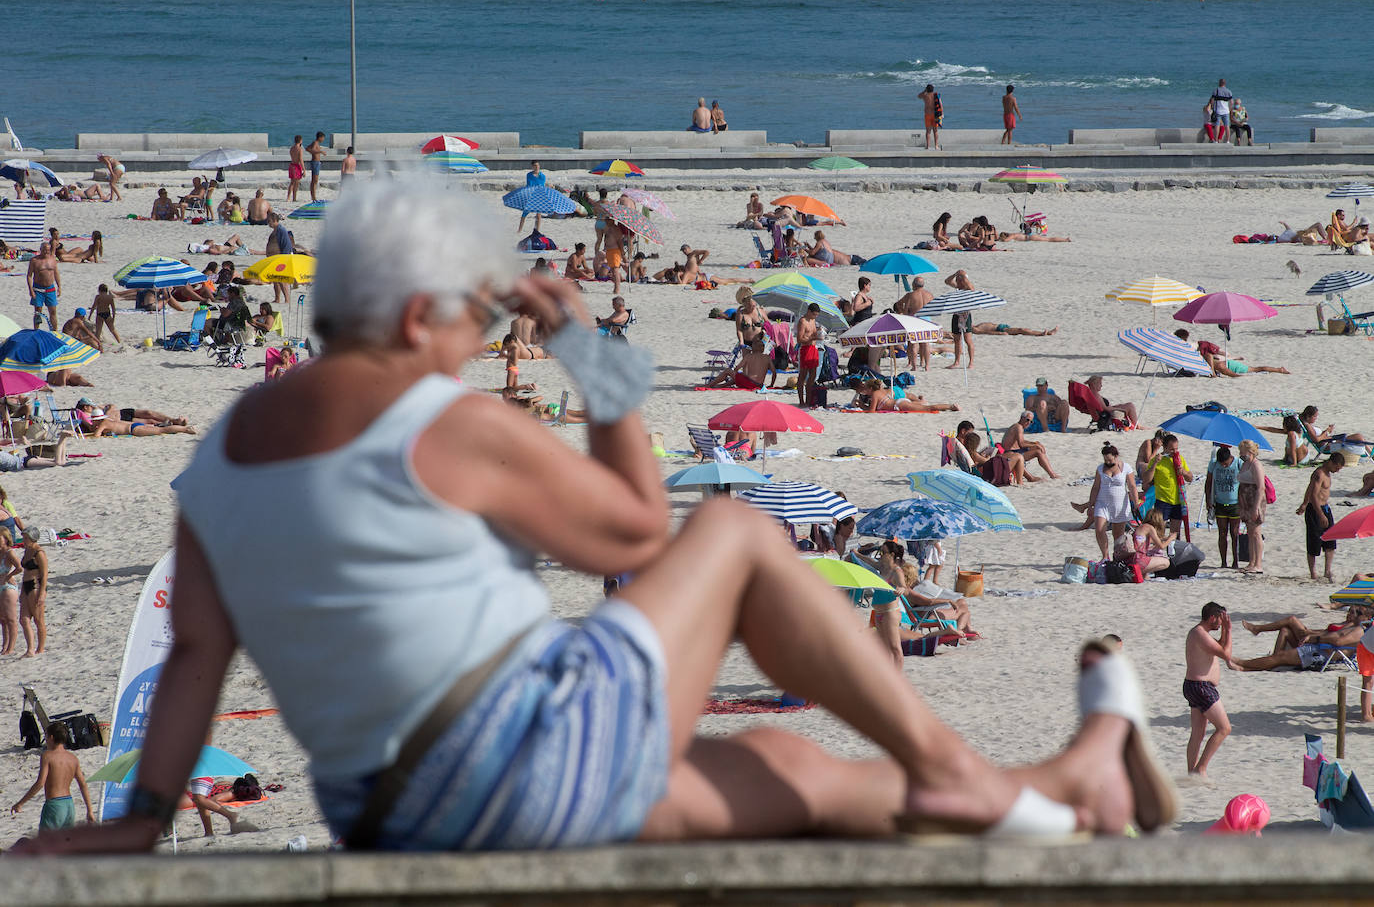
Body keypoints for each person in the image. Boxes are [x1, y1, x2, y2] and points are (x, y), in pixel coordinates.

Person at [11, 181, 1182, 856]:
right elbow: (634, 532)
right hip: (518, 758)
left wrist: (144, 819)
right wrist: (591, 357)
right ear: (420, 314)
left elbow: (198, 654)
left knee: (784, 763)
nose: (483, 338)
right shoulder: (434, 419)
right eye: (476, 316)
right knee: (731, 536)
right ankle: (950, 768)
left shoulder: (224, 450)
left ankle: (1073, 785)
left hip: (400, 808)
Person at [9, 723, 94, 831]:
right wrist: (89, 810)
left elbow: (40, 783)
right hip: (69, 805)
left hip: (54, 805)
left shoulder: (48, 756)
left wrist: (20, 803)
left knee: (46, 844)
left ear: (51, 737)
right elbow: (83, 784)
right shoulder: (73, 758)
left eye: (46, 736)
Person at [1184, 603, 1233, 780]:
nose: (1221, 623)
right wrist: (1230, 630)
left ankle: (1192, 773)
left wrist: (1225, 632)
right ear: (1212, 618)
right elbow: (1226, 654)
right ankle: (1200, 769)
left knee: (1198, 733)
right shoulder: (1199, 634)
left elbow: (1218, 647)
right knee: (1224, 728)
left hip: (1194, 686)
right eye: (1220, 620)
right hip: (1201, 687)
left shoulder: (1200, 634)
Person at [1231, 611, 1367, 672]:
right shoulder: (1352, 626)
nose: (1351, 614)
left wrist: (1313, 636)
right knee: (1284, 633)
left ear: (1368, 617)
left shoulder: (1358, 630)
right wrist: (1313, 634)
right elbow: (1331, 635)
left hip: (1322, 653)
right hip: (1319, 647)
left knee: (1291, 621)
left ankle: (1243, 664)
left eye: (1358, 613)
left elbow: (1338, 641)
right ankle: (1264, 663)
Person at [1083, 443, 1141, 559]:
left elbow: (1132, 486)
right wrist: (1090, 505)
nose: (1108, 462)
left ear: (1116, 456)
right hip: (1102, 503)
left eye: (1110, 460)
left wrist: (1136, 503)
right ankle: (1105, 556)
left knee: (1117, 535)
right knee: (1099, 529)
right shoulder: (1100, 468)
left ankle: (1116, 557)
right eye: (1105, 460)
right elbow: (1095, 487)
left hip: (1119, 505)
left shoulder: (1126, 467)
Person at [1297, 454, 1345, 581]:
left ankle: (1327, 571)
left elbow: (1309, 489)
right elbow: (1313, 494)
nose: (1337, 471)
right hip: (1315, 510)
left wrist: (1303, 503)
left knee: (1330, 539)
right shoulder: (1319, 474)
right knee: (1314, 541)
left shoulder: (1327, 473)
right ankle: (1313, 573)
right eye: (1337, 467)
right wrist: (1318, 513)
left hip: (1325, 508)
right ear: (1331, 462)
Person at [1144, 433, 1192, 537]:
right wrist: (1155, 464)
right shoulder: (1156, 460)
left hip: (1178, 500)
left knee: (1175, 533)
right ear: (1164, 448)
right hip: (1163, 501)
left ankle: (1173, 552)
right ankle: (1160, 552)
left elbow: (1190, 478)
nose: (1175, 452)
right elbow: (1147, 480)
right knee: (1159, 532)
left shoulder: (1180, 459)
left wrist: (1184, 472)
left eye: (1176, 449)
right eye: (1171, 449)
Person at [1206, 446, 1243, 568]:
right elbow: (1209, 482)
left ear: (1230, 458)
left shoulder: (1238, 463)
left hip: (1235, 504)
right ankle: (1223, 562)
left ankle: (1235, 561)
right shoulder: (1214, 464)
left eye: (1226, 464)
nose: (1224, 466)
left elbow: (1246, 482)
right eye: (1221, 464)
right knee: (1222, 533)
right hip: (1220, 503)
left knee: (1234, 533)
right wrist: (1208, 500)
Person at [1236, 439, 1266, 575]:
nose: (1241, 454)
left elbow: (1261, 488)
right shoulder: (1245, 464)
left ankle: (1258, 564)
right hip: (1245, 500)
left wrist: (1256, 507)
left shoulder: (1256, 465)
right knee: (1250, 533)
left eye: (1242, 451)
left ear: (1249, 451)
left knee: (1256, 532)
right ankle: (1251, 562)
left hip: (1254, 499)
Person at [1001, 411, 1060, 478]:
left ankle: (1050, 474)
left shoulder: (1016, 426)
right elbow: (1021, 444)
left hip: (1014, 451)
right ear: (1022, 418)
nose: (1028, 423)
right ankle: (1052, 474)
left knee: (1037, 448)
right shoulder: (1018, 427)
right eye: (1027, 420)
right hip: (1010, 453)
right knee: (1038, 452)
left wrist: (1034, 443)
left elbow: (1021, 441)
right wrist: (1036, 445)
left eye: (1031, 422)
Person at [18, 525, 48, 657]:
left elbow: (45, 574)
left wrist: (42, 592)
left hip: (36, 585)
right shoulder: (27, 550)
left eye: (26, 537)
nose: (24, 540)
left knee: (38, 619)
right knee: (24, 619)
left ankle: (40, 648)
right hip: (25, 585)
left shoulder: (39, 552)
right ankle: (30, 648)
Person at [707, 335, 773, 389]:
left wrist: (740, 373)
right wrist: (771, 385)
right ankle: (720, 386)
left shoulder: (749, 356)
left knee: (728, 371)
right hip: (759, 385)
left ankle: (709, 385)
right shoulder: (767, 357)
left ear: (753, 348)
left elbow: (736, 369)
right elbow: (774, 373)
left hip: (749, 384)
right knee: (739, 378)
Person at [852, 380, 958, 413]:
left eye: (866, 389)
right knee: (924, 406)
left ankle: (951, 406)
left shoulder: (875, 394)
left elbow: (871, 411)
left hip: (899, 404)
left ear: (870, 389)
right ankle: (949, 406)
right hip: (899, 402)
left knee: (928, 408)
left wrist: (861, 406)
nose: (865, 391)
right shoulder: (880, 391)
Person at [26, 242, 60, 331]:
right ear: (40, 249)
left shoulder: (53, 259)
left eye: (48, 250)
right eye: (44, 249)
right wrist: (31, 290)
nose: (46, 251)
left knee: (53, 311)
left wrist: (59, 286)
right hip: (38, 289)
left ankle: (55, 332)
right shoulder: (34, 260)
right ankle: (36, 331)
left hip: (50, 289)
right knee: (38, 312)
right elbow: (29, 275)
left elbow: (56, 273)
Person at [943, 270, 974, 369]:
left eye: (959, 280)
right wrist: (955, 274)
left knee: (968, 340)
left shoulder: (967, 288)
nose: (958, 281)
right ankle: (956, 361)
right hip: (956, 315)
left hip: (965, 315)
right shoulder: (958, 287)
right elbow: (947, 281)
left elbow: (972, 288)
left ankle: (971, 362)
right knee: (957, 339)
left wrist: (963, 276)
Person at [795, 303, 822, 407]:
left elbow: (813, 334)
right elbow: (799, 339)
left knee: (813, 375)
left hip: (813, 348)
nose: (815, 316)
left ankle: (808, 400)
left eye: (816, 315)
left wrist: (818, 333)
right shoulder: (803, 321)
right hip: (805, 349)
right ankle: (801, 401)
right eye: (814, 314)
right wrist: (811, 338)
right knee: (802, 375)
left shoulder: (813, 320)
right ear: (809, 311)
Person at [0, 529, 21, 655]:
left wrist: (8, 576)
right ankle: (5, 645)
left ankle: (11, 647)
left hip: (8, 587)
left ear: (6, 538)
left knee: (11, 619)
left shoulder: (9, 553)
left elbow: (19, 568)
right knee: (2, 619)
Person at [264, 213, 293, 303]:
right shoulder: (275, 230)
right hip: (274, 259)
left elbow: (286, 245)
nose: (268, 223)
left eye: (269, 221)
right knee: (275, 280)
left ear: (275, 220)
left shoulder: (281, 230)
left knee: (281, 280)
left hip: (280, 258)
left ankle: (287, 300)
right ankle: (277, 298)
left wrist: (283, 259)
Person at [1208, 79, 1233, 144]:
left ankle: (1216, 140)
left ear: (1219, 83)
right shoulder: (1229, 91)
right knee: (1227, 126)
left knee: (1217, 126)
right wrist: (1229, 109)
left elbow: (1212, 101)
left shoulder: (1216, 91)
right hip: (1226, 111)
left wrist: (1213, 108)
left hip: (1218, 111)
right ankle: (1227, 141)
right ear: (1225, 83)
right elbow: (1231, 102)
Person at [918, 84, 941, 150]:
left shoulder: (925, 96)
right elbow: (940, 104)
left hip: (927, 115)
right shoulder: (936, 95)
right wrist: (941, 114)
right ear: (933, 89)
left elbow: (918, 96)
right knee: (935, 131)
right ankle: (936, 146)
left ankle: (928, 146)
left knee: (928, 131)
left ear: (927, 89)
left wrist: (924, 91)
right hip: (935, 115)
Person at [307, 131, 327, 202]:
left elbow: (308, 148)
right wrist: (320, 152)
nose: (323, 140)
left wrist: (316, 151)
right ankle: (313, 197)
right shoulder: (315, 143)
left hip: (316, 162)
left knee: (315, 180)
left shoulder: (315, 143)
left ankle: (314, 197)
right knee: (314, 180)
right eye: (323, 138)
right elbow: (311, 150)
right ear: (320, 137)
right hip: (315, 162)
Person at [287, 134, 305, 202]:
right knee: (296, 183)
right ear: (300, 141)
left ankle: (288, 197)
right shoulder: (299, 149)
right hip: (297, 166)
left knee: (292, 182)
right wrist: (304, 170)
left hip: (292, 165)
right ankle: (294, 198)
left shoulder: (292, 148)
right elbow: (301, 160)